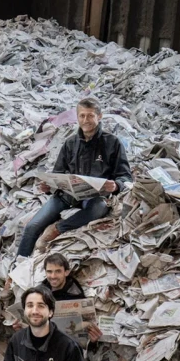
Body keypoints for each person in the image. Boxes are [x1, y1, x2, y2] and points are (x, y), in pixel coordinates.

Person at [17, 98, 131, 257]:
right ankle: (16, 270)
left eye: (90, 116)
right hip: (66, 196)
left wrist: (116, 185)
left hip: (94, 197)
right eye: (82, 116)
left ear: (100, 116)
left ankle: (58, 229)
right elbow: (57, 173)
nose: (86, 120)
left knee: (100, 207)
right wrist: (48, 187)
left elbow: (125, 176)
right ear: (77, 117)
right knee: (32, 226)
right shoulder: (70, 143)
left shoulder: (112, 143)